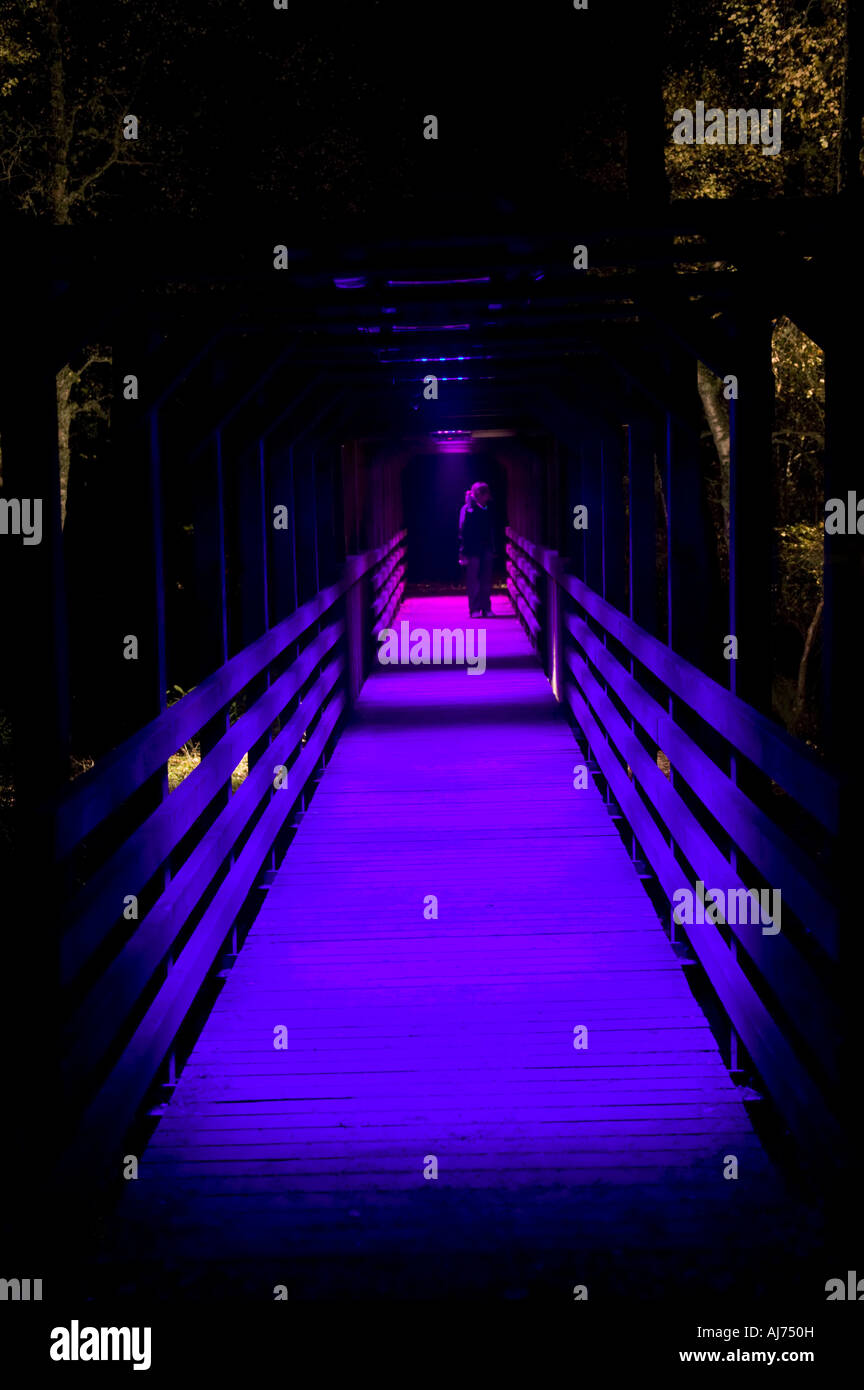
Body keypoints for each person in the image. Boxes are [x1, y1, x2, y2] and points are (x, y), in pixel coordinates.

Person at [458, 481, 495, 617]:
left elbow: (492, 529)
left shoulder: (488, 508)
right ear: (478, 495)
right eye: (484, 495)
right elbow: (462, 531)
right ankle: (474, 609)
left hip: (486, 547)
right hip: (472, 548)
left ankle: (486, 608)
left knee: (486, 579)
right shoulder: (467, 510)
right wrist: (462, 551)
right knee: (473, 580)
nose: (487, 498)